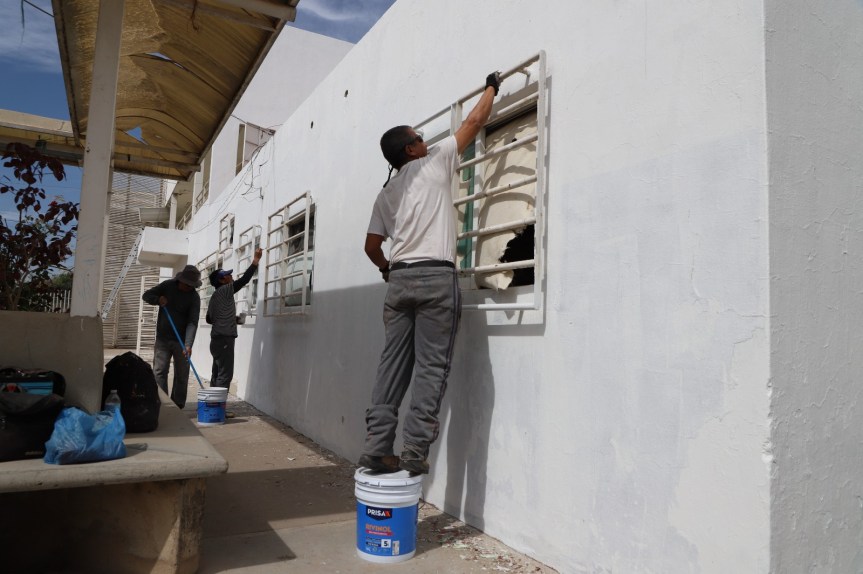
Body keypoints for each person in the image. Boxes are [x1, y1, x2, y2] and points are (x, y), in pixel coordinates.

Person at [359, 71, 502, 474]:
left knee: (392, 365)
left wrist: (388, 269)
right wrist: (492, 86)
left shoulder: (386, 194)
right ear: (412, 149)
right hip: (437, 278)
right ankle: (414, 450)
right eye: (420, 137)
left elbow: (371, 247)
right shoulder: (435, 161)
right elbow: (474, 123)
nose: (426, 141)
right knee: (431, 367)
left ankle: (376, 445)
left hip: (400, 281)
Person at [142, 265, 202, 408]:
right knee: (159, 371)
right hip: (163, 338)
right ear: (180, 280)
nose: (188, 288)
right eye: (187, 284)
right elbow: (146, 295)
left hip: (181, 341)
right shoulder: (167, 286)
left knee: (182, 375)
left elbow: (192, 322)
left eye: (192, 286)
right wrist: (158, 299)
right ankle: (163, 403)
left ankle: (178, 405)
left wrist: (188, 344)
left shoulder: (194, 297)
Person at [206, 247, 262, 391]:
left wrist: (232, 319)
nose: (232, 277)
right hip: (225, 338)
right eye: (228, 276)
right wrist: (255, 260)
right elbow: (244, 280)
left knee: (217, 373)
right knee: (225, 375)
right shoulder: (226, 289)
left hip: (216, 340)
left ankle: (213, 407)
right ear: (223, 280)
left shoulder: (214, 296)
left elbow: (209, 319)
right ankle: (218, 409)